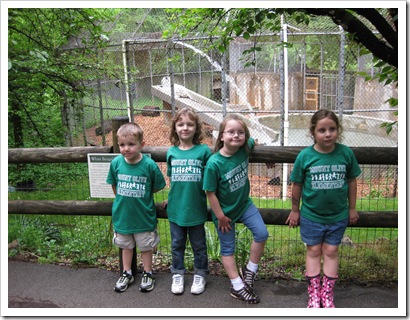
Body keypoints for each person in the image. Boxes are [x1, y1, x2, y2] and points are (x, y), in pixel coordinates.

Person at [286, 109, 361, 308]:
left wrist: (352, 208)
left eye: (332, 129)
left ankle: (327, 294)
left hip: (338, 215)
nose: (327, 134)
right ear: (313, 132)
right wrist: (295, 210)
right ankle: (314, 295)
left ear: (338, 130)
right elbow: (297, 185)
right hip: (311, 215)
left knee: (331, 250)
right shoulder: (305, 156)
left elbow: (352, 181)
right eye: (322, 130)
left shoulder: (345, 153)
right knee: (313, 250)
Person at [203, 114, 269, 304]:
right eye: (231, 132)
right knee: (228, 249)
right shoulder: (214, 163)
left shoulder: (244, 149)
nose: (236, 136)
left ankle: (250, 271)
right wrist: (221, 216)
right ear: (221, 136)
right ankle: (237, 286)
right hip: (224, 214)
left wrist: (266, 156)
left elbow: (254, 140)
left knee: (262, 233)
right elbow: (210, 193)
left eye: (240, 132)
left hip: (244, 205)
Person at [106, 122, 166, 293]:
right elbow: (114, 185)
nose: (126, 148)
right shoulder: (116, 163)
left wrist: (144, 193)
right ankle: (127, 273)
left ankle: (148, 273)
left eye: (131, 144)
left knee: (146, 247)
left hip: (143, 217)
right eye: (122, 145)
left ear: (142, 145)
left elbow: (158, 185)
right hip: (123, 216)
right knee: (126, 246)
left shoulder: (148, 165)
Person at [164, 107, 212, 295]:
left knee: (199, 245)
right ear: (175, 127)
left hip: (196, 208)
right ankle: (178, 273)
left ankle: (200, 273)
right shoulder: (171, 152)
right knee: (177, 244)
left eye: (190, 124)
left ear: (196, 128)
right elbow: (172, 180)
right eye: (181, 124)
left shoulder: (203, 151)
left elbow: (211, 178)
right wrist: (171, 198)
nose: (185, 128)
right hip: (176, 209)